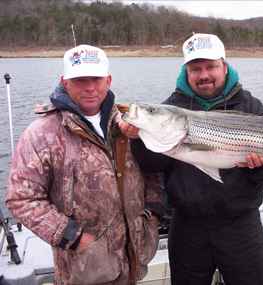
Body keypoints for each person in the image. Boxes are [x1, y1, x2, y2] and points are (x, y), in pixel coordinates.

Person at [121, 33, 263, 285]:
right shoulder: (170, 109)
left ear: (224, 66)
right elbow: (152, 165)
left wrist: (260, 168)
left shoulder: (250, 106)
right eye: (196, 68)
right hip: (187, 227)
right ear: (186, 71)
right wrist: (138, 139)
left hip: (241, 224)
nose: (204, 74)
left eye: (211, 66)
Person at [6, 44, 164, 285]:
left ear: (108, 80)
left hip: (133, 261)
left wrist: (152, 215)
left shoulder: (131, 124)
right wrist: (73, 237)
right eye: (80, 80)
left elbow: (151, 172)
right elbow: (21, 199)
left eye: (96, 79)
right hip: (82, 271)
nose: (90, 87)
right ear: (64, 81)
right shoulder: (41, 134)